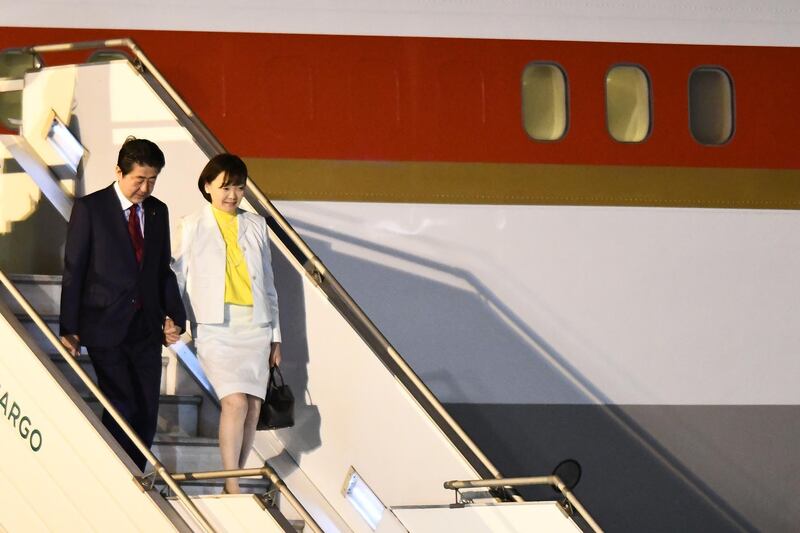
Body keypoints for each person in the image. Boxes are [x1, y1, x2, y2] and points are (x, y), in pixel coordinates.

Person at [59, 137, 185, 471]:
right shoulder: (90, 208)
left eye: (152, 179)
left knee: (146, 410)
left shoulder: (158, 211)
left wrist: (174, 317)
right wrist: (69, 328)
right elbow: (75, 270)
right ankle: (115, 474)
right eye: (139, 179)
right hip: (104, 324)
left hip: (145, 327)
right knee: (120, 404)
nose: (145, 187)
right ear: (119, 171)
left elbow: (161, 270)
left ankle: (136, 475)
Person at [171, 153, 282, 494]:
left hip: (255, 326)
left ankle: (236, 474)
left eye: (238, 187)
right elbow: (179, 276)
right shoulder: (192, 224)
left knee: (252, 407)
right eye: (225, 187)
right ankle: (231, 482)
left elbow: (268, 284)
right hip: (216, 328)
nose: (232, 195)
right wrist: (171, 317)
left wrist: (276, 336)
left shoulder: (256, 224)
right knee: (234, 402)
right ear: (208, 186)